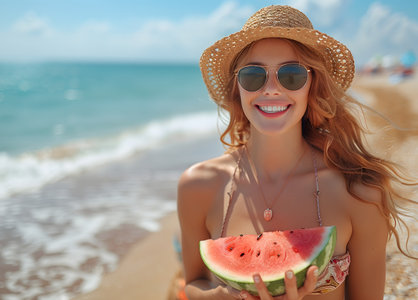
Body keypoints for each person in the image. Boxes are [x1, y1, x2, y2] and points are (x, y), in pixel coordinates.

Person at [177, 4, 416, 300]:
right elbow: (193, 283)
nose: (272, 89)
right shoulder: (197, 185)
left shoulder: (360, 192)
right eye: (253, 75)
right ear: (237, 88)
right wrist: (214, 297)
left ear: (312, 84)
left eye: (291, 75)